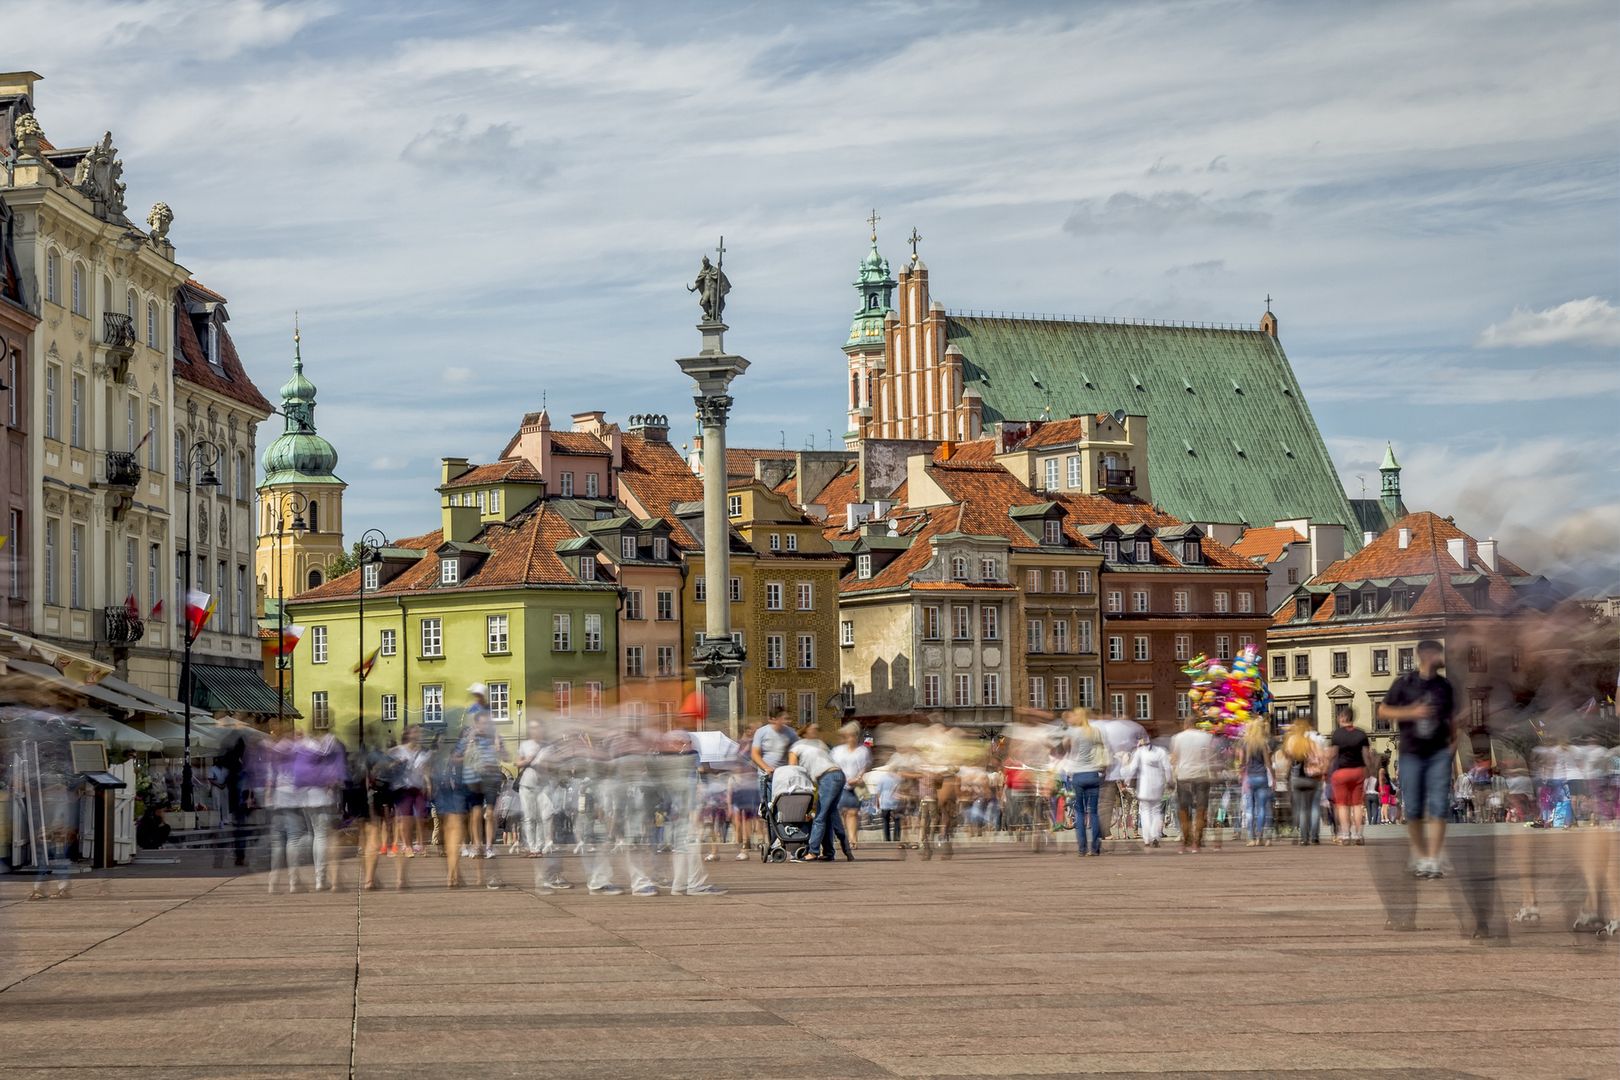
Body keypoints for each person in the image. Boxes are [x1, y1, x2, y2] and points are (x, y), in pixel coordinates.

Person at [1377, 640, 1458, 878]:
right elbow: (1382, 710)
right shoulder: (1405, 684)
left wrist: (1452, 747)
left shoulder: (1444, 686)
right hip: (1411, 752)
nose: (1441, 657)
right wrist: (1411, 712)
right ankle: (1421, 856)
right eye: (1437, 653)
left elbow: (1452, 719)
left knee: (1438, 807)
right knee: (1412, 809)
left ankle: (1433, 859)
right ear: (1425, 655)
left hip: (1438, 753)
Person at [455, 687, 508, 862]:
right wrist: (469, 749)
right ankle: (477, 845)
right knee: (476, 813)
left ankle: (489, 847)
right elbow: (455, 758)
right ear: (476, 723)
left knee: (490, 813)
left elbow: (507, 757)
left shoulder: (496, 737)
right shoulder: (468, 738)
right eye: (482, 723)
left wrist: (500, 750)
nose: (486, 726)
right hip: (473, 778)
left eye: (488, 722)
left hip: (491, 777)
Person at [790, 722, 853, 862]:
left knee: (820, 816)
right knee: (831, 814)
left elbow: (792, 769)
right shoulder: (820, 743)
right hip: (838, 775)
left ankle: (813, 851)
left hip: (827, 778)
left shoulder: (797, 747)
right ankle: (839, 851)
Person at [1061, 711, 1109, 857]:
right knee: (1093, 812)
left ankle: (1082, 848)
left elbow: (1064, 747)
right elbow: (1103, 749)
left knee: (1080, 812)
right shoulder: (1095, 731)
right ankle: (1095, 848)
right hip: (1093, 774)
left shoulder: (1073, 732)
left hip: (1078, 776)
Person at [1328, 704, 1374, 845]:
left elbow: (1333, 754)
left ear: (1343, 717)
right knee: (1357, 804)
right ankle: (1358, 835)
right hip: (1357, 771)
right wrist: (1370, 769)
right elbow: (1366, 756)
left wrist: (1327, 768)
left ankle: (1346, 835)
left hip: (1341, 772)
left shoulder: (1337, 734)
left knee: (1342, 805)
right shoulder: (1361, 734)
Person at [1170, 715, 1215, 853]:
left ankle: (1185, 842)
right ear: (1197, 724)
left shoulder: (1177, 738)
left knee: (1184, 809)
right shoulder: (1206, 737)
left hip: (1184, 775)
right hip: (1201, 775)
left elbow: (1174, 758)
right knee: (1201, 809)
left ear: (1185, 724)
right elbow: (1210, 756)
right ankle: (1197, 842)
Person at [1121, 737, 1172, 848]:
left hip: (1144, 786)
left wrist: (1127, 780)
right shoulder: (1161, 751)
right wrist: (1169, 781)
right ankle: (1155, 836)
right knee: (1156, 812)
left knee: (1145, 812)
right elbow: (1167, 768)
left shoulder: (1140, 752)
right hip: (1157, 785)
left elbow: (1133, 768)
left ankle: (1147, 839)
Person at [1281, 717, 1325, 845]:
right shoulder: (1310, 742)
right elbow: (1321, 757)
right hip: (1312, 778)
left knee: (1302, 809)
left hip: (1297, 779)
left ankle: (1304, 838)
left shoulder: (1292, 742)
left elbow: (1286, 755)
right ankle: (1314, 836)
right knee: (1314, 807)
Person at [388, 726, 430, 857]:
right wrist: (396, 763)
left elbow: (425, 769)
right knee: (406, 818)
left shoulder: (423, 752)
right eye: (415, 732)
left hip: (418, 787)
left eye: (420, 732)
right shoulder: (399, 750)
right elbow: (386, 762)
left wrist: (428, 783)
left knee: (421, 816)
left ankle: (421, 844)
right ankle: (408, 846)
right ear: (408, 734)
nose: (418, 735)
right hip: (404, 787)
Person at [829, 723, 871, 850]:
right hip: (841, 784)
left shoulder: (863, 750)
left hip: (857, 785)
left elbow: (866, 766)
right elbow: (833, 766)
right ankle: (844, 837)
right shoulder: (837, 751)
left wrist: (859, 777)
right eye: (849, 735)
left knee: (853, 812)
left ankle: (852, 839)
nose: (852, 738)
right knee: (842, 812)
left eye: (854, 735)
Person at [1237, 722, 1275, 846]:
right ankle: (1260, 836)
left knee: (1249, 808)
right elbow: (1268, 763)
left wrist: (1240, 773)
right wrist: (1273, 778)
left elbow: (1242, 762)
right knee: (1262, 808)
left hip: (1249, 777)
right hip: (1262, 777)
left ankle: (1251, 838)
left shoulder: (1245, 744)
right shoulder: (1262, 743)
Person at [749, 707, 794, 806]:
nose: (787, 721)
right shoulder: (762, 732)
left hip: (783, 777)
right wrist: (766, 768)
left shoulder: (791, 733)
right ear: (773, 719)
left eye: (787, 718)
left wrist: (792, 769)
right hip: (766, 777)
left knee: (784, 807)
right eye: (784, 718)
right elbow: (755, 754)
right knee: (768, 807)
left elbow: (794, 752)